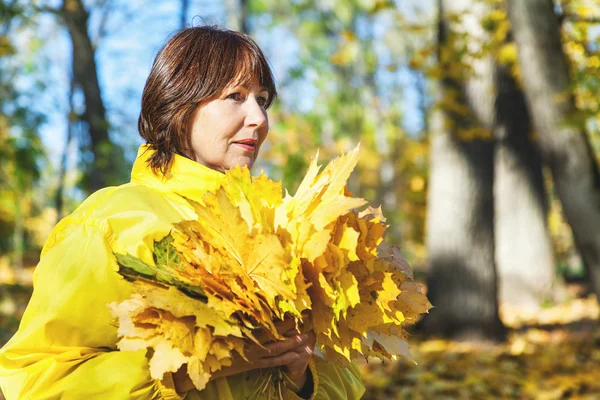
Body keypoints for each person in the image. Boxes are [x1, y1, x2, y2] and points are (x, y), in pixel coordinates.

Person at [0, 26, 365, 399]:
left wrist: (301, 374)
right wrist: (189, 369)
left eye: (263, 99)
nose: (258, 118)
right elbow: (36, 382)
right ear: (178, 104)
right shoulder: (112, 222)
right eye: (235, 96)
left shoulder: (281, 228)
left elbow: (348, 383)